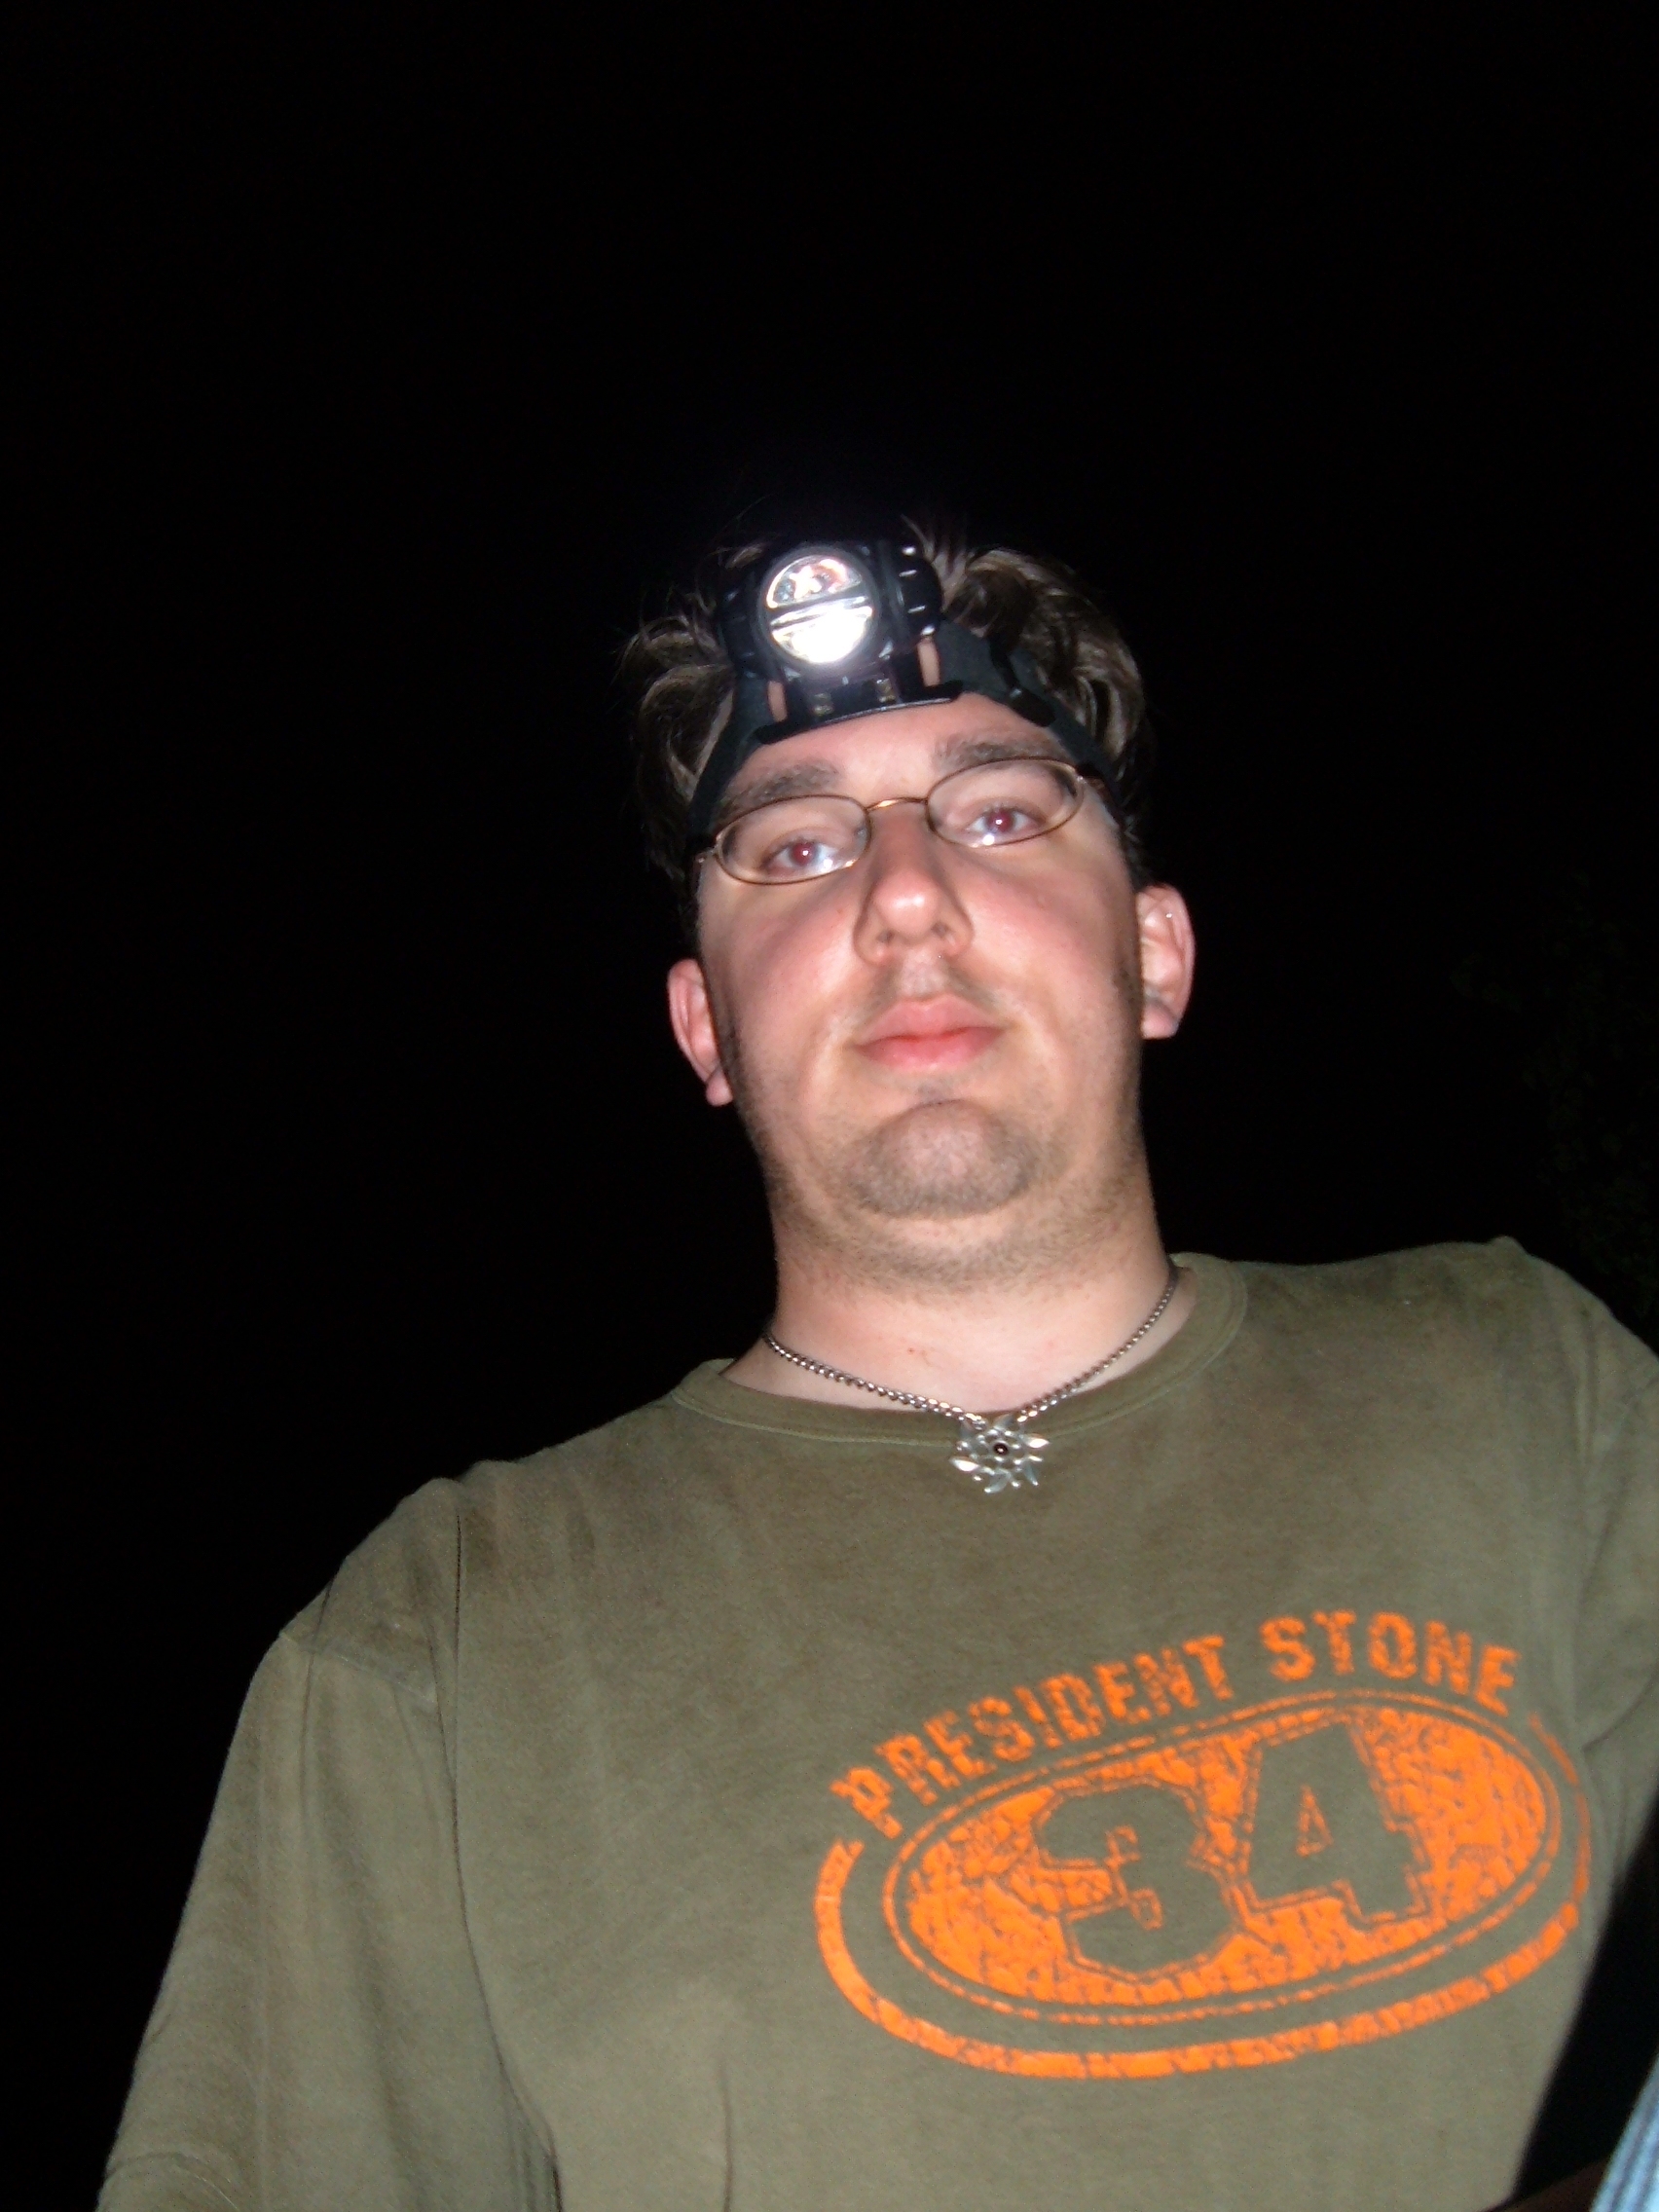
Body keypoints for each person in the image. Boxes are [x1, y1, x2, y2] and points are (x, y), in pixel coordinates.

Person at [101, 526, 1658, 2211]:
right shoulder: (442, 1641)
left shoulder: (1529, 1388)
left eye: (998, 815)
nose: (904, 894)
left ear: (1156, 953)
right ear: (704, 1027)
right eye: (797, 846)